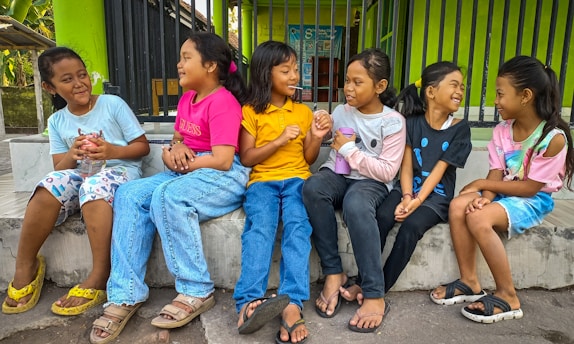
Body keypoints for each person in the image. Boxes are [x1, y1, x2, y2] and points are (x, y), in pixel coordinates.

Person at [89, 32, 250, 344]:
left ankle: (196, 289)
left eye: (186, 57)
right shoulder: (188, 99)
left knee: (169, 196)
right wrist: (172, 150)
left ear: (211, 66)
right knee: (129, 193)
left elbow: (223, 158)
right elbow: (179, 139)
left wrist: (182, 162)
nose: (179, 64)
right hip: (189, 169)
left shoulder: (223, 102)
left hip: (224, 174)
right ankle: (125, 293)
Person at [1, 47, 150, 316]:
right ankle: (25, 267)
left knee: (94, 186)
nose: (79, 83)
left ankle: (100, 274)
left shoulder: (111, 104)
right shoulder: (57, 121)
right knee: (49, 184)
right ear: (50, 87)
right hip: (83, 173)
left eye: (82, 75)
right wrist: (73, 153)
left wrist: (112, 151)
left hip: (121, 171)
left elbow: (142, 147)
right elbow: (59, 167)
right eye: (67, 79)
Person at [430, 56, 574, 323]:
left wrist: (483, 187)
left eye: (500, 94)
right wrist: (484, 199)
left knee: (477, 217)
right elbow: (496, 172)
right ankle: (470, 281)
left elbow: (531, 187)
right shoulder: (502, 131)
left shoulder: (552, 138)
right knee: (460, 204)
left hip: (534, 199)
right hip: (507, 193)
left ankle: (508, 296)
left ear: (525, 96)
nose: (494, 101)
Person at [341, 62, 471, 303]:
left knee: (410, 228)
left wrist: (418, 201)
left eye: (462, 87)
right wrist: (408, 196)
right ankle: (365, 280)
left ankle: (380, 287)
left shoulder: (460, 129)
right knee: (382, 217)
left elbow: (439, 171)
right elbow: (407, 165)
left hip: (436, 198)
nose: (460, 92)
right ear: (431, 91)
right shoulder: (410, 122)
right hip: (407, 189)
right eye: (454, 85)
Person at [232, 41, 332, 344]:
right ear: (266, 73)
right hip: (262, 182)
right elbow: (247, 158)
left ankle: (291, 303)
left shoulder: (302, 112)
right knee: (259, 230)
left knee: (298, 229)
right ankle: (248, 302)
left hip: (298, 180)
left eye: (295, 70)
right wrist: (277, 140)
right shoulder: (250, 111)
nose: (294, 77)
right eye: (285, 71)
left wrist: (315, 135)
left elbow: (309, 158)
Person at [302, 48, 406, 333]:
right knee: (313, 188)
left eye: (357, 82)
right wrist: (320, 125)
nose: (348, 88)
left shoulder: (393, 122)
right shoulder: (341, 111)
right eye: (346, 80)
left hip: (371, 182)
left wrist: (348, 149)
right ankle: (333, 272)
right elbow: (326, 149)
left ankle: (374, 293)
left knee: (357, 204)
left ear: (379, 86)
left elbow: (387, 171)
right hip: (337, 174)